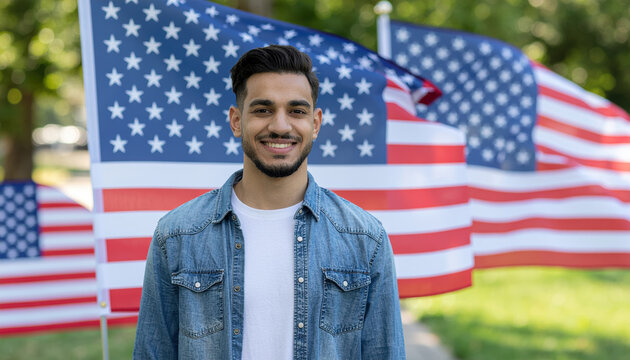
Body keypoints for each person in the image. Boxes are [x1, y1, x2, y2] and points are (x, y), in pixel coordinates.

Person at [133, 45, 405, 359]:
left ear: (315, 124)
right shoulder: (177, 235)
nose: (279, 125)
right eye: (263, 109)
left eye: (296, 111)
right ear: (236, 121)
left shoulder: (365, 239)